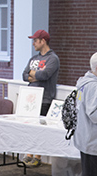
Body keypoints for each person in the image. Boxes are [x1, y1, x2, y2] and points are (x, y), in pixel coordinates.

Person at [21, 29, 60, 167]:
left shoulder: (52, 59)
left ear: (43, 41)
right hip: (31, 98)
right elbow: (24, 75)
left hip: (45, 98)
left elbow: (45, 76)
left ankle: (37, 156)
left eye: (35, 41)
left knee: (40, 128)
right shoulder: (33, 59)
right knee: (30, 127)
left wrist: (33, 75)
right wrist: (36, 74)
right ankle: (29, 154)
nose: (33, 44)